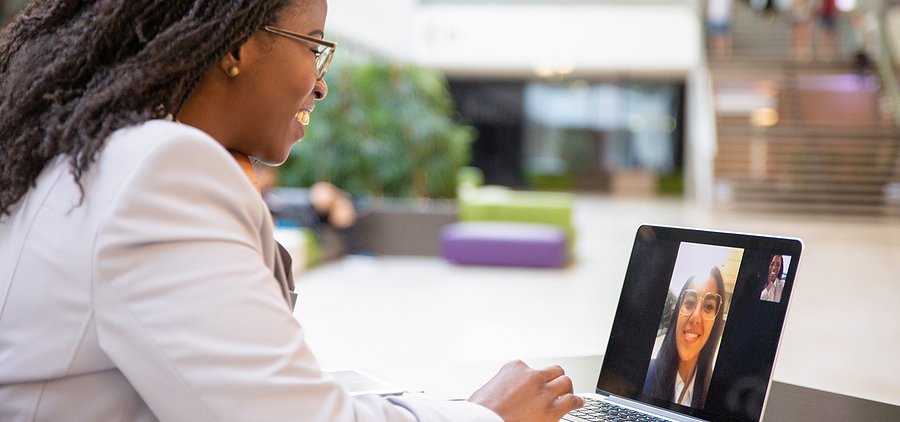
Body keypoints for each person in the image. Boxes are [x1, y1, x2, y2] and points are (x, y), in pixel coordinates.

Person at [0, 1, 583, 421]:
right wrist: (484, 416)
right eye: (313, 46)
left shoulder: (83, 158)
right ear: (236, 46)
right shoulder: (160, 169)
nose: (320, 86)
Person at [643, 267, 726, 410]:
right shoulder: (645, 375)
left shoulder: (719, 396)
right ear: (678, 312)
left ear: (716, 322)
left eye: (708, 306)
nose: (695, 317)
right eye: (689, 303)